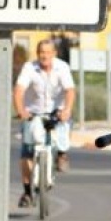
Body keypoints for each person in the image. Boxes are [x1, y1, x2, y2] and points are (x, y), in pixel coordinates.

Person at [13, 37, 77, 208]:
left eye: (48, 52)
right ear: (37, 54)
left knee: (65, 125)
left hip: (56, 112)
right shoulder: (30, 68)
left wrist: (67, 109)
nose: (45, 56)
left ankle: (62, 154)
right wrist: (21, 110)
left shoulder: (62, 67)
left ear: (54, 54)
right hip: (33, 113)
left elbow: (70, 91)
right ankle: (27, 192)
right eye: (42, 52)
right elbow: (19, 90)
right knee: (26, 153)